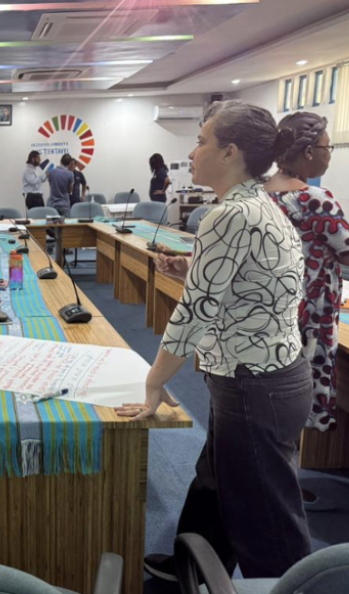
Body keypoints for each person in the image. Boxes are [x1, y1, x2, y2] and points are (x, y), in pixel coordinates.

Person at [118, 101, 312, 581]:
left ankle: (293, 588)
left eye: (201, 140)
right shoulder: (255, 204)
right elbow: (258, 281)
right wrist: (193, 269)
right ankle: (189, 568)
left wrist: (155, 382)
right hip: (265, 376)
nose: (193, 149)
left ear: (229, 153)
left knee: (266, 519)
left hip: (254, 385)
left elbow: (193, 315)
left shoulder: (227, 217)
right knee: (216, 483)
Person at [265, 112, 349, 435]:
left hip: (266, 309)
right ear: (309, 152)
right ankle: (286, 479)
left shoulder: (258, 193)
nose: (329, 154)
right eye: (327, 146)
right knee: (299, 395)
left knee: (272, 393)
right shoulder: (314, 200)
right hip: (309, 315)